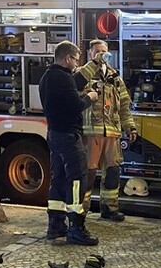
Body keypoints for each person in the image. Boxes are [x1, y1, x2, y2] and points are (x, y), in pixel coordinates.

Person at [39, 41, 100, 246]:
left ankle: (55, 225)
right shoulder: (64, 78)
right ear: (67, 58)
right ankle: (77, 227)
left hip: (54, 134)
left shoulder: (47, 77)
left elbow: (62, 102)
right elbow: (75, 106)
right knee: (77, 179)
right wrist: (90, 97)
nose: (76, 63)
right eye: (75, 59)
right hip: (68, 135)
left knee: (58, 178)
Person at [74, 39, 138, 222]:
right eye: (97, 51)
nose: (101, 54)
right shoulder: (83, 73)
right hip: (89, 132)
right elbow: (76, 86)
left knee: (112, 171)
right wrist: (94, 63)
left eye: (104, 51)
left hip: (112, 133)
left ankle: (109, 208)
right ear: (89, 54)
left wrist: (129, 127)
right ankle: (81, 211)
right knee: (88, 173)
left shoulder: (114, 77)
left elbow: (124, 105)